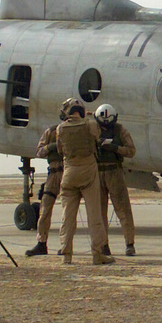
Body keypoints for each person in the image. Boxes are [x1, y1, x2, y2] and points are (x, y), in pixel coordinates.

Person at [55, 98, 113, 265]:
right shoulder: (90, 125)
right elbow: (98, 137)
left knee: (67, 216)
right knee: (94, 215)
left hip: (69, 172)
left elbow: (60, 149)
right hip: (88, 171)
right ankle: (97, 254)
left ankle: (66, 254)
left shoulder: (60, 129)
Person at [24, 104, 69, 256]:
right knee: (45, 208)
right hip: (53, 174)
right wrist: (52, 147)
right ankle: (41, 242)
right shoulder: (51, 132)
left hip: (68, 172)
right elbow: (39, 151)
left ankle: (66, 245)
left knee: (68, 211)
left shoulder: (75, 133)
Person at [94, 104, 137, 256]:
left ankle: (129, 243)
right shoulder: (93, 130)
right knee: (99, 212)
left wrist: (115, 148)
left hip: (114, 172)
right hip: (97, 172)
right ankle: (104, 245)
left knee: (123, 209)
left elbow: (131, 151)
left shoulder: (120, 130)